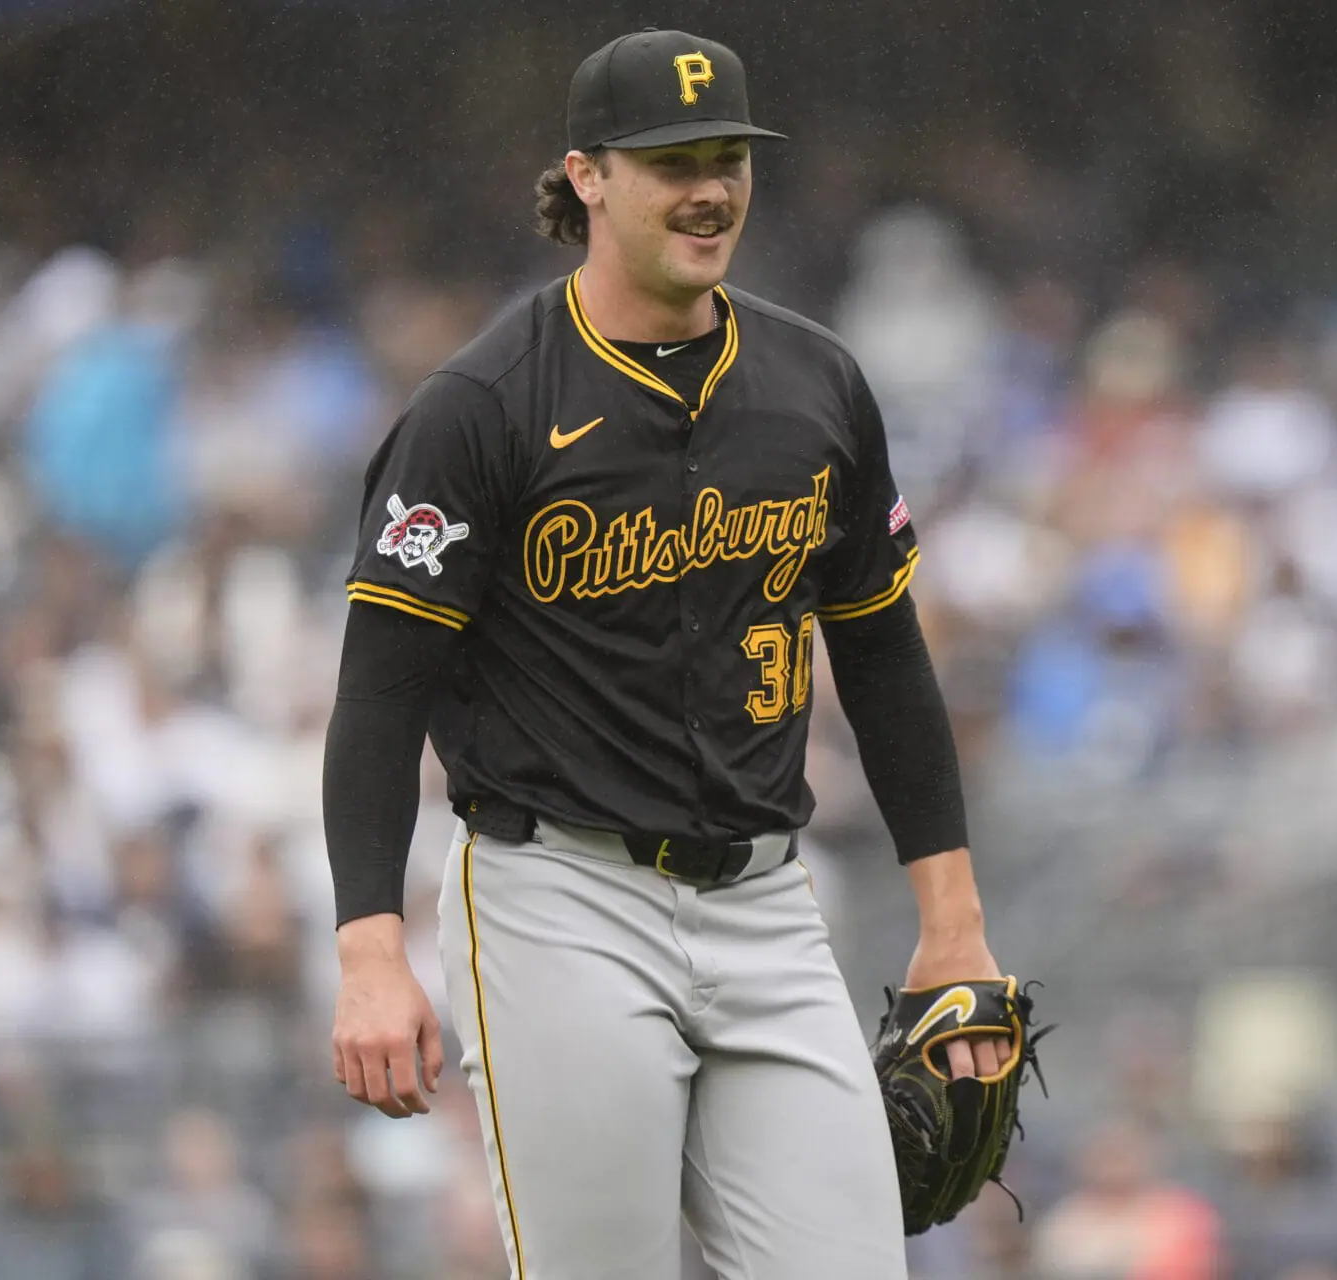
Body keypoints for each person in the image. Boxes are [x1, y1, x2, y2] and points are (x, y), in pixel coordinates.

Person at [320, 29, 1008, 1280]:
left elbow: (886, 655)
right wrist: (371, 947)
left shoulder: (816, 383)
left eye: (729, 158)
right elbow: (379, 691)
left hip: (766, 901)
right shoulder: (480, 409)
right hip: (559, 902)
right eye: (672, 160)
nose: (710, 188)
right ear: (586, 176)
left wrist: (950, 921)